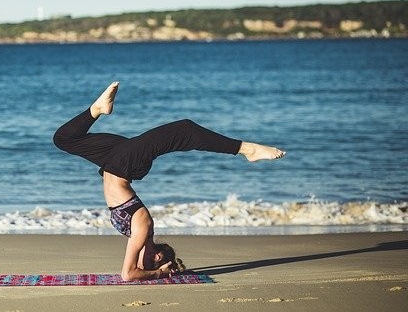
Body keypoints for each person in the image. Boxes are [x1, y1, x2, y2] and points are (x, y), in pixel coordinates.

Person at [53, 82, 285, 281]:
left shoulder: (137, 235)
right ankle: (247, 150)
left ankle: (97, 109)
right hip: (124, 165)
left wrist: (158, 273)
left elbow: (127, 274)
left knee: (64, 139)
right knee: (185, 129)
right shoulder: (143, 228)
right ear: (158, 255)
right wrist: (161, 271)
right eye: (156, 259)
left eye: (151, 264)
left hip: (115, 161)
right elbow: (131, 273)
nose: (149, 260)